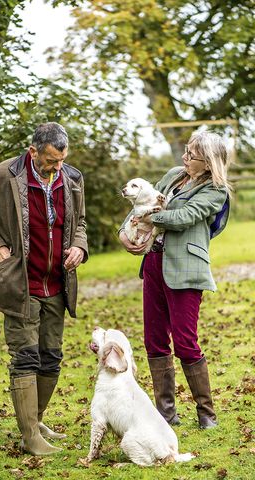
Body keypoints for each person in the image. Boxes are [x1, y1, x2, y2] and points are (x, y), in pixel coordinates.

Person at [0, 122, 88, 455]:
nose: (56, 168)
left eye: (61, 161)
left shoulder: (72, 178)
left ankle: (37, 420)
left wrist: (79, 246)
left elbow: (81, 224)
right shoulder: (5, 174)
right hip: (20, 284)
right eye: (50, 161)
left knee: (51, 356)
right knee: (25, 356)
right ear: (33, 152)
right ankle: (30, 435)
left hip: (57, 285)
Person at [119, 130, 230, 429]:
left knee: (185, 342)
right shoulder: (172, 175)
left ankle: (206, 414)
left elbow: (185, 217)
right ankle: (166, 414)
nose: (184, 157)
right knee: (154, 340)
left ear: (208, 163)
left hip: (186, 268)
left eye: (191, 155)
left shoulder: (216, 191)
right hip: (154, 264)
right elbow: (141, 203)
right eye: (186, 150)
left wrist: (149, 219)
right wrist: (124, 232)